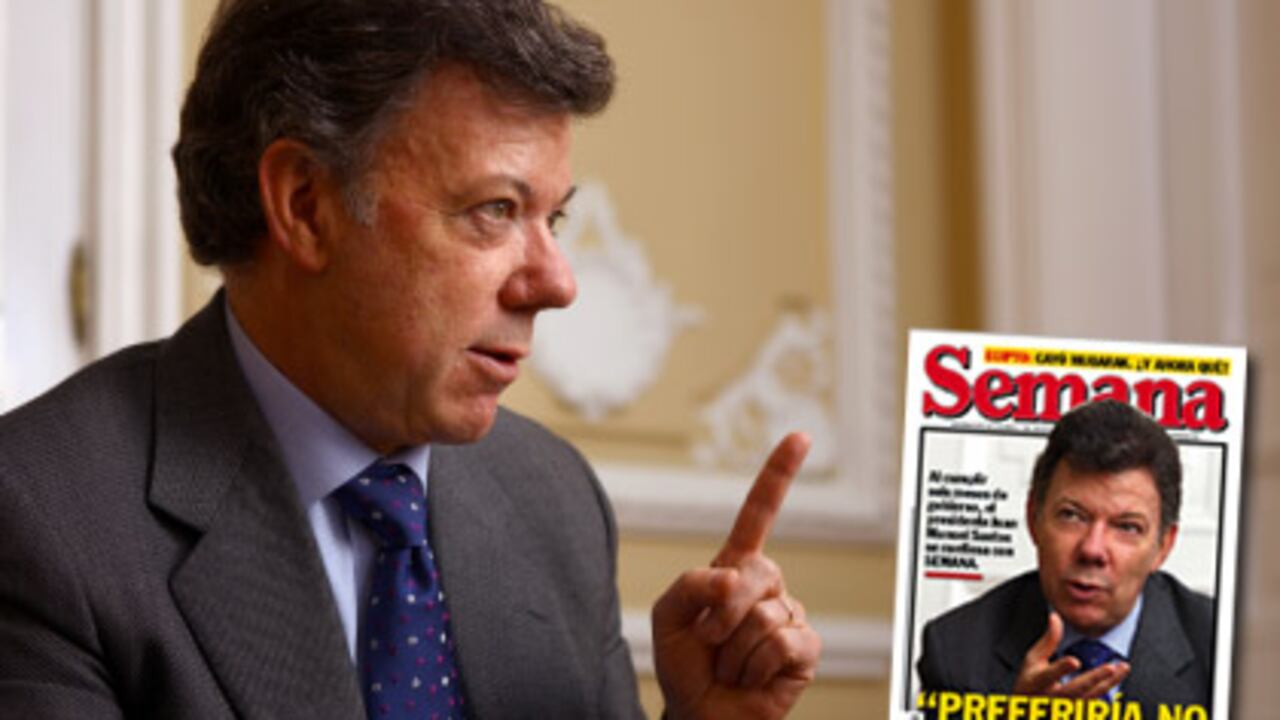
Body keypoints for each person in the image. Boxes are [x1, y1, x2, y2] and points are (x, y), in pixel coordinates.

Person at [0, 1, 820, 718]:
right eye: (495, 210)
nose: (557, 283)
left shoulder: (554, 500)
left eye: (554, 220)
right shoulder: (43, 517)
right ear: (306, 206)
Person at [916, 400, 1213, 714]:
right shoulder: (955, 651)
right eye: (1072, 515)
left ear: (1163, 546)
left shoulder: (1220, 645)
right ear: (1034, 518)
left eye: (1127, 527)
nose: (1092, 549)